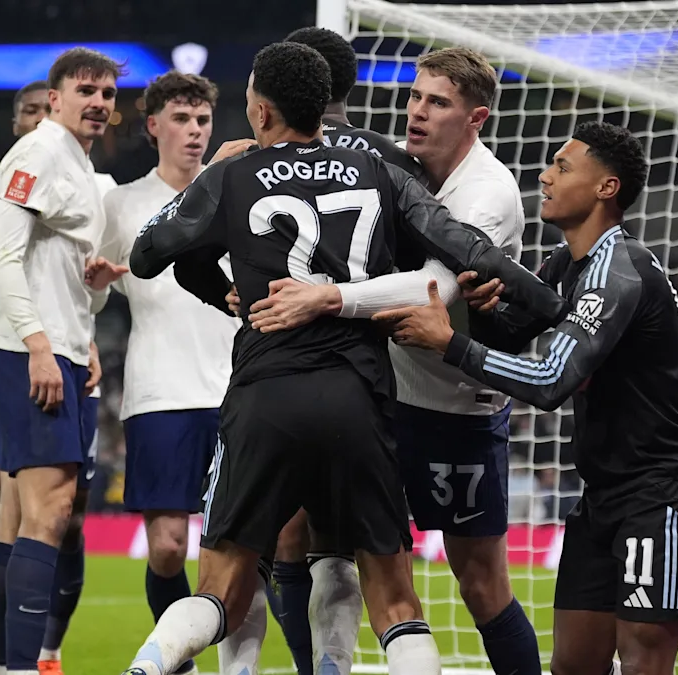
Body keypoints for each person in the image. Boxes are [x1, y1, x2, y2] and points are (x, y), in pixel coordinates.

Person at [119, 41, 568, 675]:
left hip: (265, 394)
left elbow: (147, 253)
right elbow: (465, 248)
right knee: (395, 603)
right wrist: (545, 303)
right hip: (361, 398)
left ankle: (148, 665)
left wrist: (218, 276)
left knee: (221, 587)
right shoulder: (380, 171)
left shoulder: (234, 172)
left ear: (262, 111)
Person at [370, 121, 678, 675]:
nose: (545, 175)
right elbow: (509, 333)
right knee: (572, 664)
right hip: (603, 493)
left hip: (663, 492)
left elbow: (551, 380)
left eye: (563, 166)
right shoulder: (564, 266)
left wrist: (450, 343)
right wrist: (479, 314)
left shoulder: (618, 270)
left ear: (606, 189)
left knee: (643, 657)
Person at [243, 40, 543, 675]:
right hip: (383, 397)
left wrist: (326, 296)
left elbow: (430, 290)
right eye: (414, 97)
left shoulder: (486, 191)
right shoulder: (395, 168)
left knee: (481, 582)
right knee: (303, 535)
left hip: (456, 406)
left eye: (438, 102)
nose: (418, 112)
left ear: (476, 118)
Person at [0, 79, 110, 675]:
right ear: (23, 121)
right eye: (33, 111)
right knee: (17, 500)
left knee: (59, 508)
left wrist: (89, 314)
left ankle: (34, 654)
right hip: (14, 353)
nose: (44, 120)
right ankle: (14, 660)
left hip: (65, 349)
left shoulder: (93, 183)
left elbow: (80, 285)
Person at [0, 47, 128, 675]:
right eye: (85, 90)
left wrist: (92, 294)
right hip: (30, 352)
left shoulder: (80, 165)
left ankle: (6, 666)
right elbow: (1, 257)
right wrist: (39, 345)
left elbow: (61, 277)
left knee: (38, 512)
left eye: (107, 93)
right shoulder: (39, 151)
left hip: (67, 351)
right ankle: (19, 667)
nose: (98, 102)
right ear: (57, 97)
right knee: (47, 511)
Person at [97, 70, 230, 675]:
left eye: (202, 120)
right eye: (181, 119)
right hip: (159, 392)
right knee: (169, 547)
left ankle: (243, 663)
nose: (194, 131)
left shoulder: (235, 191)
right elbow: (92, 290)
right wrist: (96, 285)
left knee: (247, 549)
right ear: (153, 127)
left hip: (238, 389)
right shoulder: (120, 205)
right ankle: (180, 662)